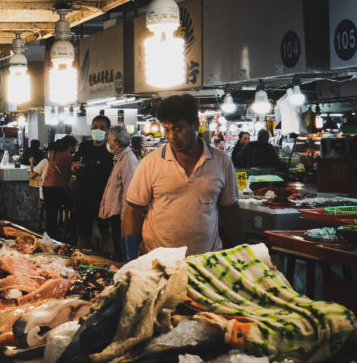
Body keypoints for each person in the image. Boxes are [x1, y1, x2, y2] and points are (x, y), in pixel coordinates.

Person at [122, 94, 242, 259]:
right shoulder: (150, 163)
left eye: (178, 129)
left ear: (196, 124)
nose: (172, 137)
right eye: (167, 129)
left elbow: (230, 211)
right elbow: (132, 212)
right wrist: (129, 256)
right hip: (157, 261)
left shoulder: (222, 161)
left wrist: (242, 252)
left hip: (206, 262)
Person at [72, 115, 114, 250]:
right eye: (95, 127)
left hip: (104, 199)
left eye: (102, 127)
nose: (98, 130)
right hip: (83, 197)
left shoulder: (111, 150)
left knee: (106, 232)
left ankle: (109, 262)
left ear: (108, 130)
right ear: (91, 128)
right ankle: (82, 260)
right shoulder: (84, 146)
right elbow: (73, 167)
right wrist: (75, 168)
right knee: (83, 233)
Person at [98, 125, 139, 260]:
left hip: (122, 216)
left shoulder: (128, 160)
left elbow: (130, 190)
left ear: (115, 143)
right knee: (118, 250)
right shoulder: (120, 158)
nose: (108, 144)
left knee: (124, 254)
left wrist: (125, 219)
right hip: (116, 213)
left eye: (109, 141)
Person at [42, 136, 77, 240]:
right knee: (76, 207)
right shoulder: (67, 156)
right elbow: (73, 171)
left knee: (51, 214)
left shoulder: (55, 154)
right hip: (58, 187)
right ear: (70, 146)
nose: (74, 149)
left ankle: (50, 237)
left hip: (47, 187)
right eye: (74, 146)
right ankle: (70, 231)